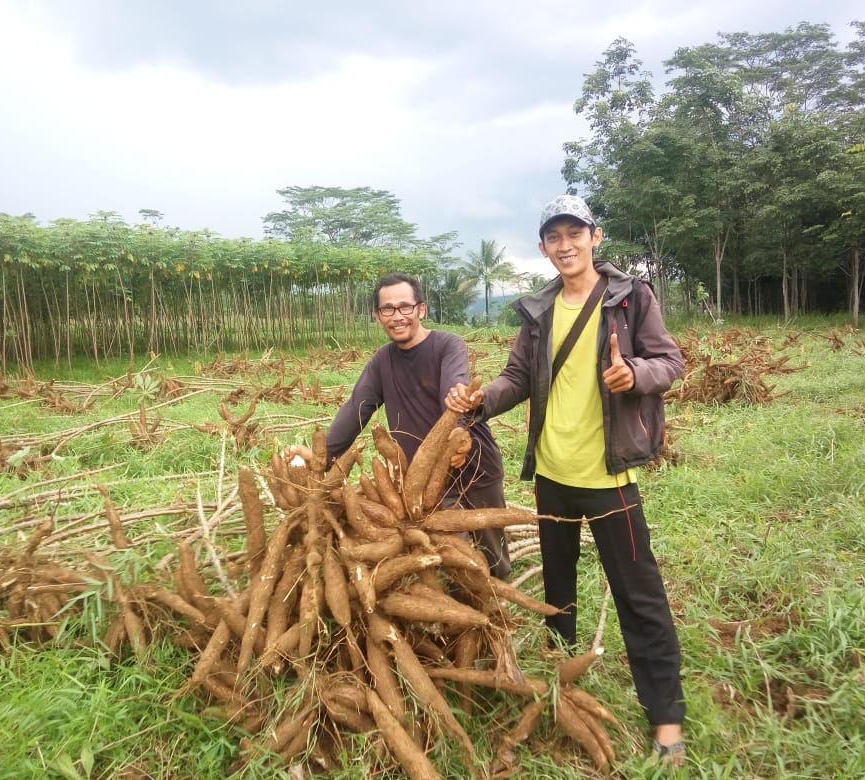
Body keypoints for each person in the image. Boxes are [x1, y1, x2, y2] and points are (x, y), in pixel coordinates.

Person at [445, 195, 686, 763]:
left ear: (594, 237)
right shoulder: (538, 310)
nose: (565, 245)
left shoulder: (631, 297)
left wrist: (636, 373)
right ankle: (561, 684)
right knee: (558, 594)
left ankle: (667, 720)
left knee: (639, 595)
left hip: (609, 479)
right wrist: (481, 401)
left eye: (574, 233)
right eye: (554, 237)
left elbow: (670, 362)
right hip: (551, 475)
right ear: (543, 247)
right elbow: (516, 377)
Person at [290, 271, 510, 580]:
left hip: (473, 464)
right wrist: (324, 457)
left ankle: (497, 606)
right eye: (388, 309)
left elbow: (455, 390)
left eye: (405, 307)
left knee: (492, 553)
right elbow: (356, 410)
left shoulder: (448, 344)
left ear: (421, 309)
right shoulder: (383, 361)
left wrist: (458, 434)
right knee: (457, 559)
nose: (397, 316)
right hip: (426, 481)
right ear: (376, 315)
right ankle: (469, 600)